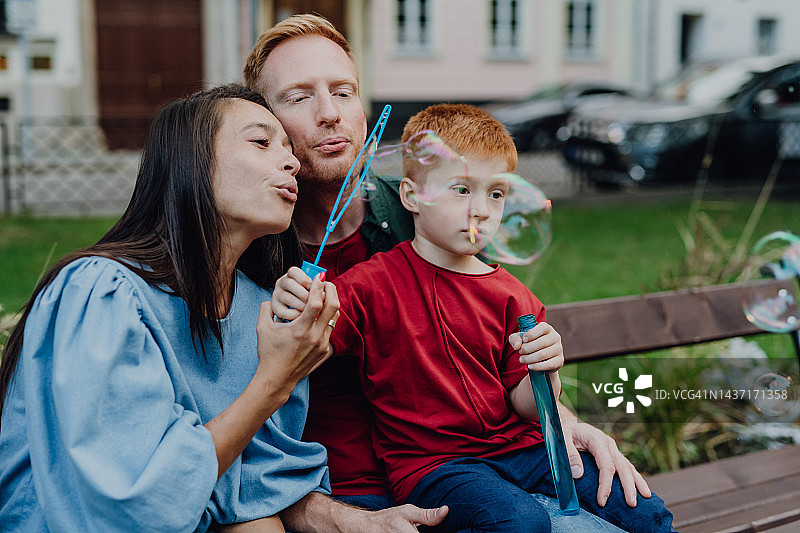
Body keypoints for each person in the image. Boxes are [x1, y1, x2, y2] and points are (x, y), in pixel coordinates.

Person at [0, 84, 446, 533]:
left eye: (289, 149)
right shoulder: (102, 292)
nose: (291, 162)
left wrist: (354, 522)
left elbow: (254, 482)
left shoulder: (259, 308)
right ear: (191, 162)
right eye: (261, 142)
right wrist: (276, 379)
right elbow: (135, 503)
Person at [274, 103, 674, 532]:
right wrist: (294, 302)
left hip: (519, 447)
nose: (481, 209)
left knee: (647, 512)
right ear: (411, 196)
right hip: (434, 465)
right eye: (462, 190)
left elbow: (525, 403)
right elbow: (309, 339)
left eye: (495, 193)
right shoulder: (372, 284)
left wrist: (547, 370)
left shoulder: (512, 295)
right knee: (520, 522)